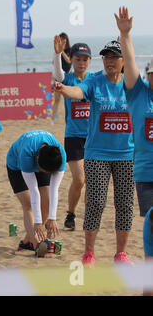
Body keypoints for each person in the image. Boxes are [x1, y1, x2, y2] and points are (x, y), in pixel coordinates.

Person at [55, 39, 135, 267]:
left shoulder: (131, 84)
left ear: (123, 61)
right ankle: (88, 253)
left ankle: (121, 254)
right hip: (97, 154)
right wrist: (63, 89)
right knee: (96, 203)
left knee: (124, 204)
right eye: (106, 57)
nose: (109, 62)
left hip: (126, 155)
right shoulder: (95, 81)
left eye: (114, 57)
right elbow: (78, 91)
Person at [115, 6, 153, 285]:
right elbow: (130, 64)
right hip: (147, 175)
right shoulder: (139, 94)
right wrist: (125, 35)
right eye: (152, 73)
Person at [52, 38, 102, 230]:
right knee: (79, 179)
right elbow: (58, 74)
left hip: (94, 137)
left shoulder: (94, 79)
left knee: (92, 182)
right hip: (73, 137)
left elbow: (114, 73)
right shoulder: (68, 79)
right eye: (78, 59)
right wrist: (57, 54)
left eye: (85, 59)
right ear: (71, 60)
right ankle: (71, 213)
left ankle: (88, 216)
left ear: (89, 61)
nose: (81, 63)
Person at [6, 130, 66, 255]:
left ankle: (26, 242)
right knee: (28, 205)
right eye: (44, 170)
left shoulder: (60, 156)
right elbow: (34, 191)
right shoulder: (26, 155)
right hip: (16, 166)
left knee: (46, 202)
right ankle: (36, 244)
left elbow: (54, 190)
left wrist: (52, 218)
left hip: (45, 161)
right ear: (37, 159)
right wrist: (38, 222)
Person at [51, 33, 72, 122]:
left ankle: (69, 117)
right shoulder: (57, 51)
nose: (62, 41)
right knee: (57, 99)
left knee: (69, 100)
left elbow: (69, 60)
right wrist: (57, 53)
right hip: (59, 76)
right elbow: (53, 62)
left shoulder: (70, 50)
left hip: (67, 76)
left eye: (63, 39)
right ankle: (53, 119)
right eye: (61, 39)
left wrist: (61, 51)